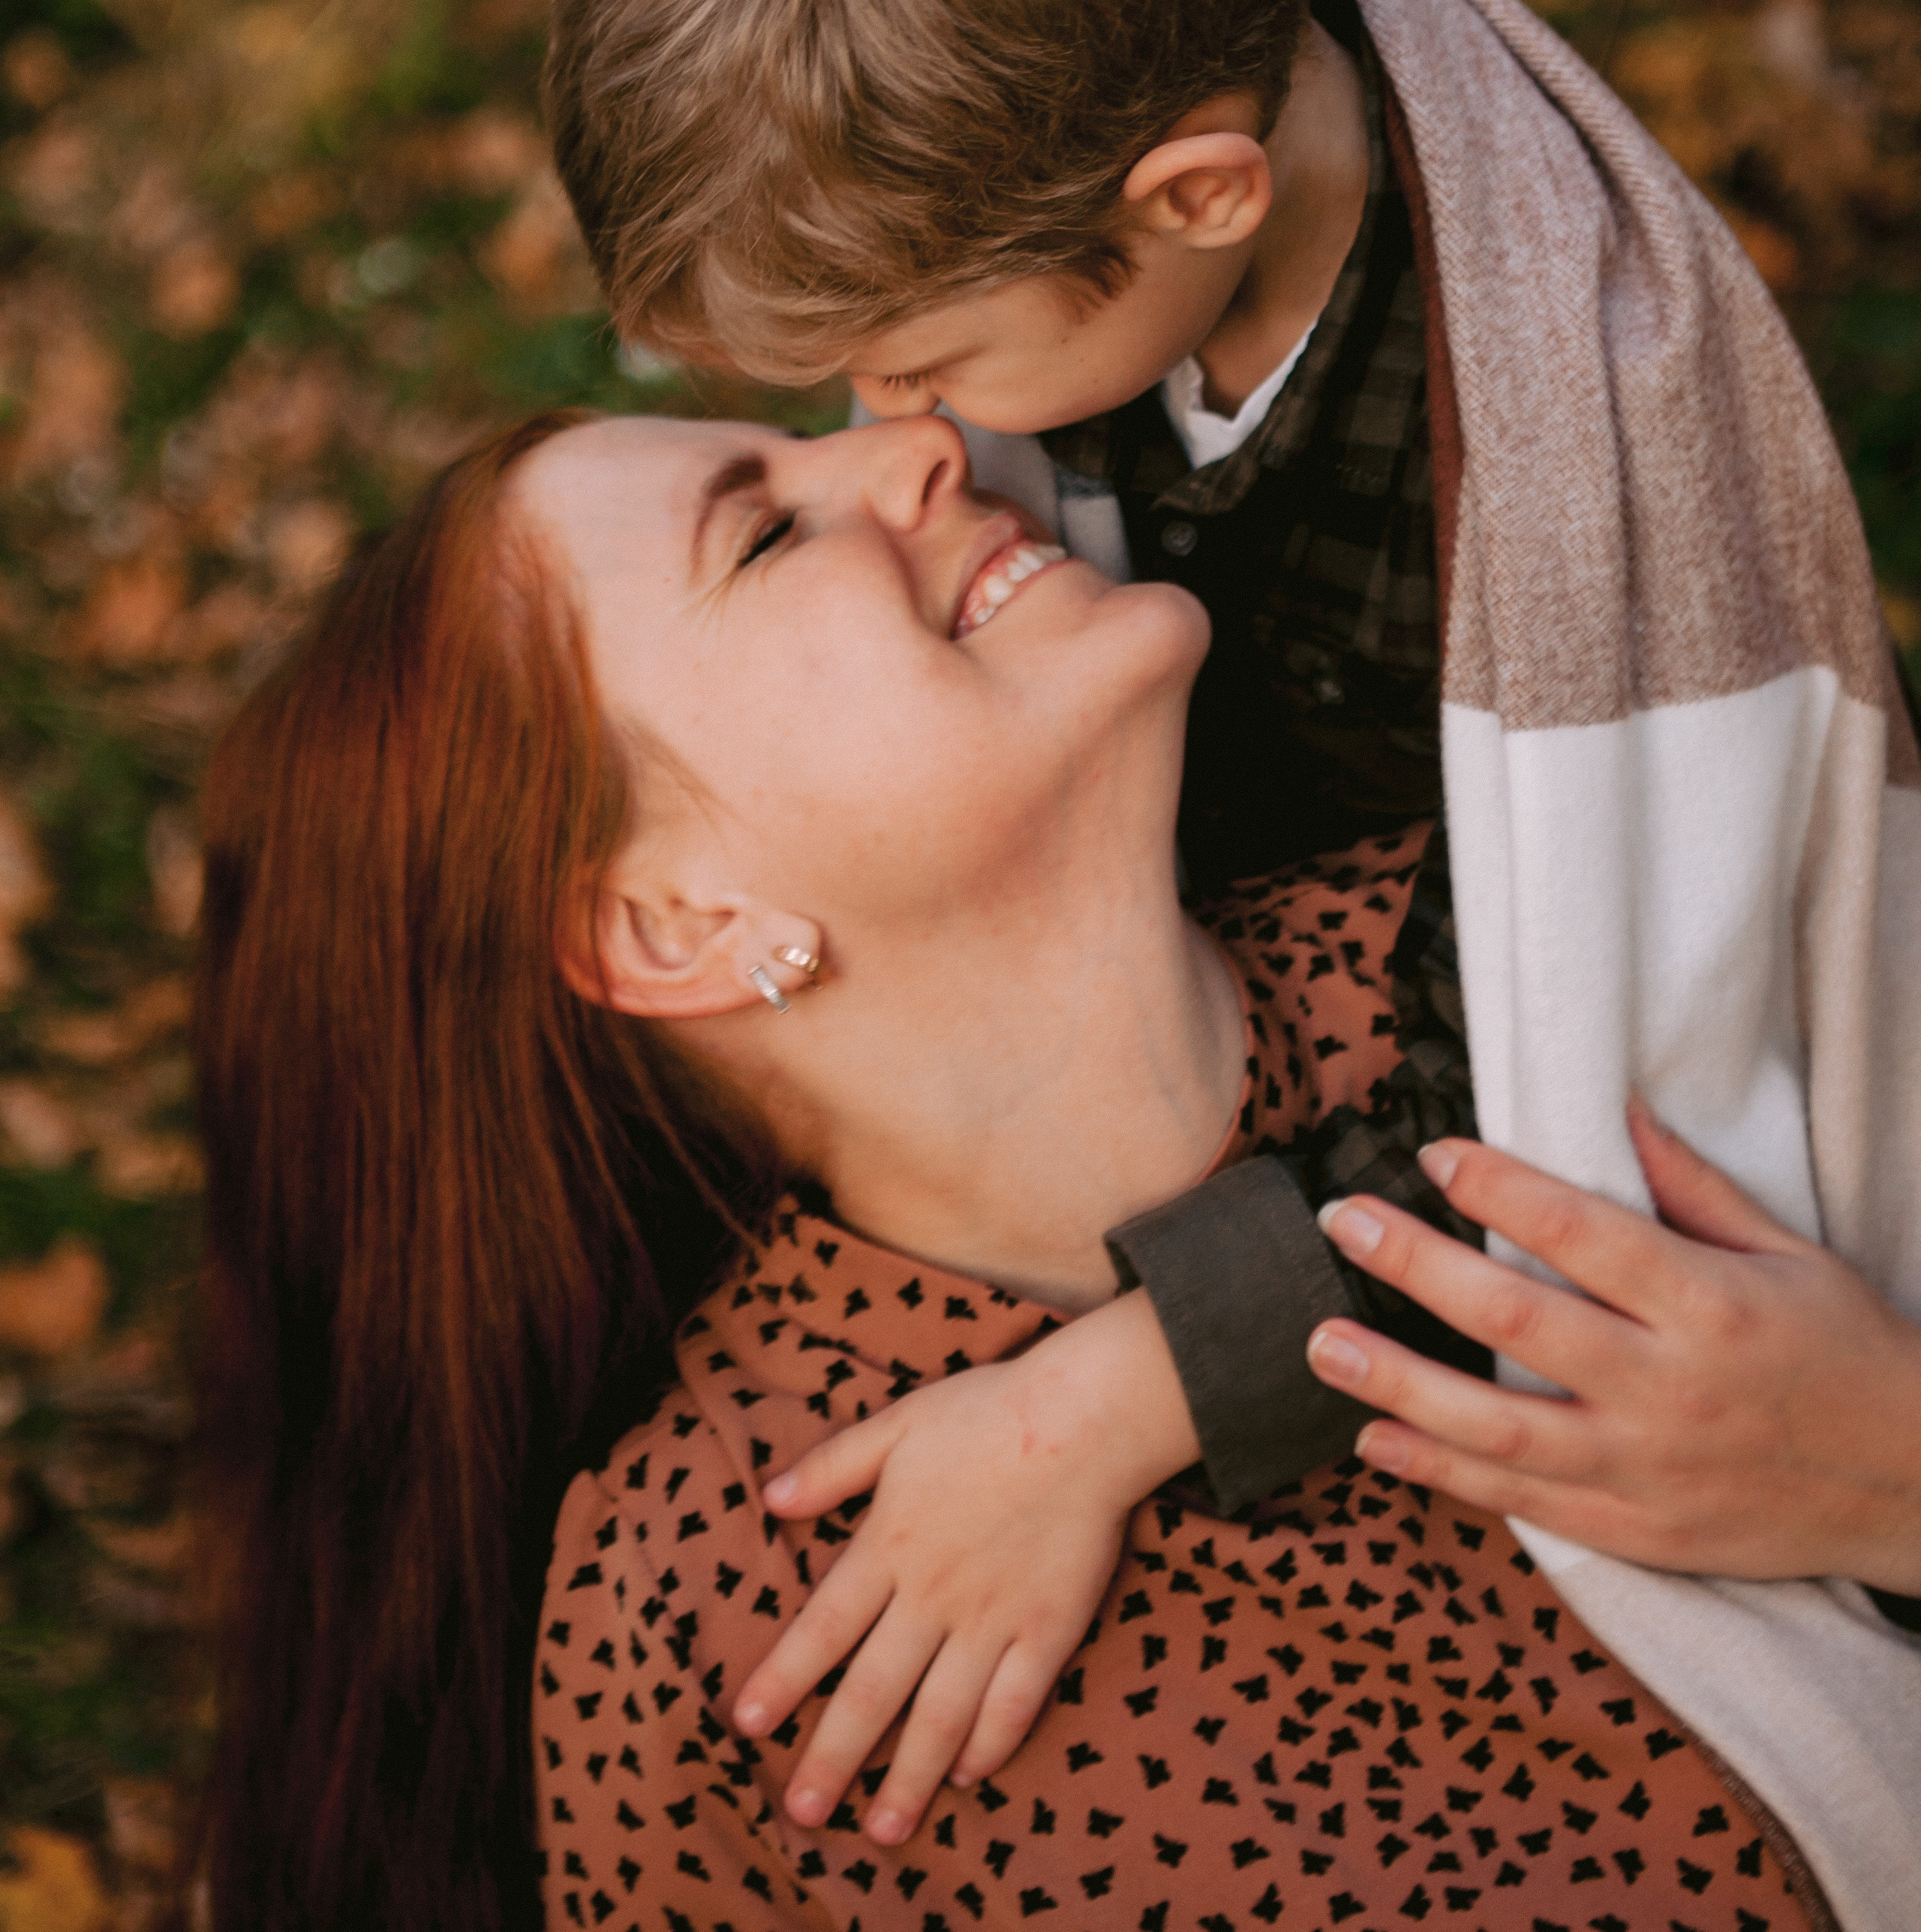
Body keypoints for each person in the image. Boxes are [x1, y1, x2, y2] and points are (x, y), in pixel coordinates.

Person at [540, 0, 1921, 1895]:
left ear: (1198, 199)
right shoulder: (1148, 164)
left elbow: (1574, 1133)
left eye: (917, 366)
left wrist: (1109, 1399)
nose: (892, 436)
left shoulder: (1564, 479)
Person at [193, 406, 1918, 1932]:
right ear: (677, 925)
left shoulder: (1583, 934)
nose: (916, 442)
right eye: (767, 531)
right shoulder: (729, 1627)